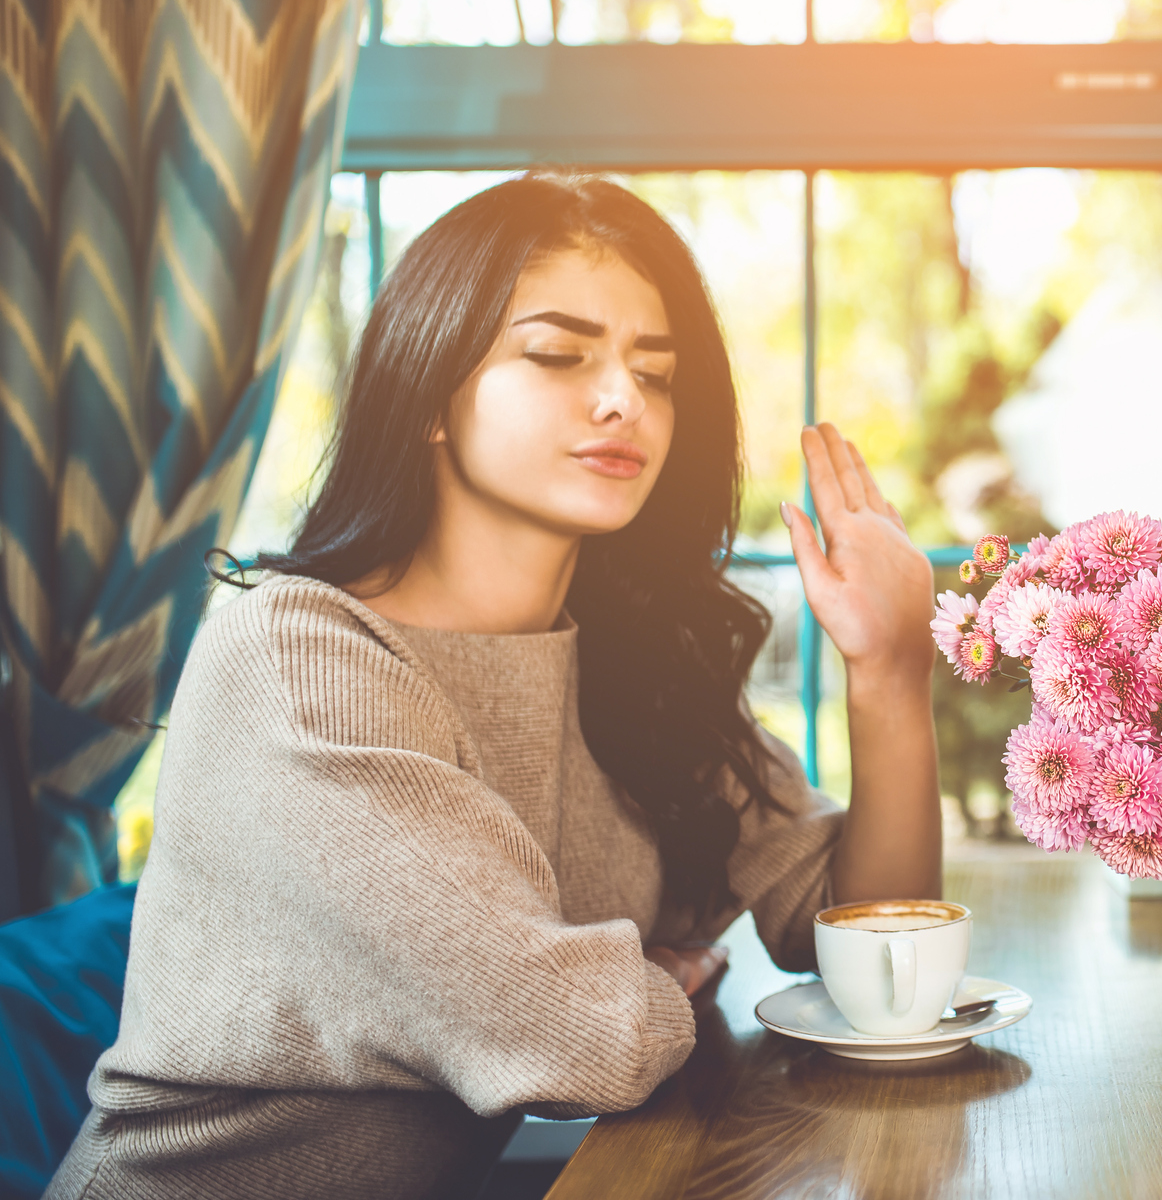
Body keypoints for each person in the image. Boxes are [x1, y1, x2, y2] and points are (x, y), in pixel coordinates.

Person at [49, 174, 943, 1198]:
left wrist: (888, 669)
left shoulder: (630, 661)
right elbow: (581, 1040)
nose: (622, 398)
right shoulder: (297, 660)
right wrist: (654, 981)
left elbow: (874, 943)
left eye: (656, 373)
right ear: (428, 393)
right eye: (559, 354)